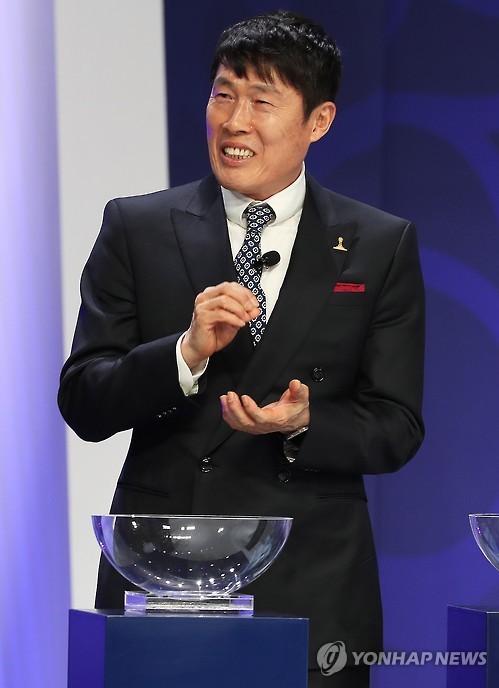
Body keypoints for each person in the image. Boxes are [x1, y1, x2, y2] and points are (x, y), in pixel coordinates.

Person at [58, 10, 425, 687]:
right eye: (222, 95)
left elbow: (396, 427)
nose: (233, 121)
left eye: (262, 101)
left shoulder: (378, 244)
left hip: (313, 583)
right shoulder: (137, 227)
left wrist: (305, 422)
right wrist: (183, 355)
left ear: (318, 121)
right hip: (164, 573)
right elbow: (84, 400)